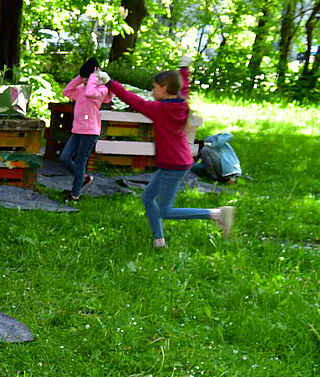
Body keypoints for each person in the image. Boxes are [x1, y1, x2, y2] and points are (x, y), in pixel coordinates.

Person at [97, 59, 235, 249]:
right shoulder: (181, 103)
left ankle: (217, 214)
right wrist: (184, 70)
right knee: (147, 198)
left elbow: (132, 99)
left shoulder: (159, 110)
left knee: (166, 210)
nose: (152, 91)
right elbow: (183, 88)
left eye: (154, 87)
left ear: (164, 89)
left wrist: (110, 82)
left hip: (173, 165)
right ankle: (159, 241)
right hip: (177, 162)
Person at [59, 57, 112, 201]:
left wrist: (94, 77)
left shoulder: (101, 90)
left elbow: (90, 93)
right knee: (64, 157)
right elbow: (66, 91)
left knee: (81, 161)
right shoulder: (82, 89)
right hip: (77, 130)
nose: (85, 81)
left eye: (87, 77)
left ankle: (75, 195)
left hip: (90, 131)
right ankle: (84, 178)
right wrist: (80, 78)